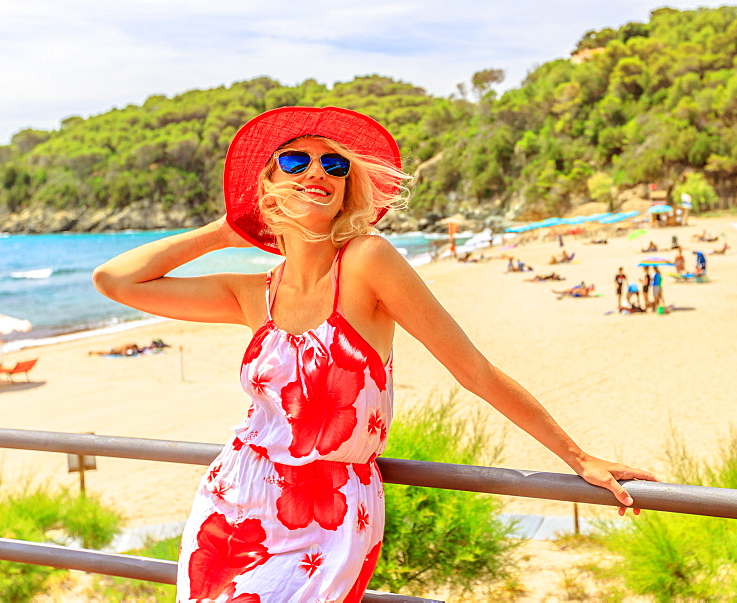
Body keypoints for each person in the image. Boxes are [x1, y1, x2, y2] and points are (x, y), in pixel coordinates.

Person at [92, 107, 656, 602]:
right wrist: (225, 229)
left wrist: (578, 458)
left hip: (328, 515)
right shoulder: (253, 293)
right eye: (296, 162)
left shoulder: (368, 262)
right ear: (268, 184)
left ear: (348, 188)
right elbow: (116, 281)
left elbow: (473, 371)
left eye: (334, 166)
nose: (318, 172)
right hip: (233, 498)